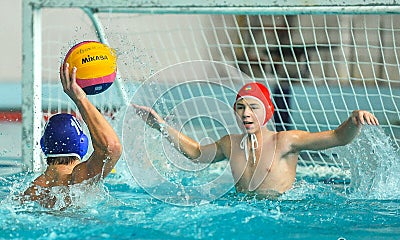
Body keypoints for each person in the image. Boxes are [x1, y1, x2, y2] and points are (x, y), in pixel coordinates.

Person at [133, 82, 379, 199]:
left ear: (267, 112)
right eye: (240, 107)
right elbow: (197, 153)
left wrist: (354, 120)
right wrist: (161, 126)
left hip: (283, 210)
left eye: (253, 107)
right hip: (244, 210)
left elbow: (337, 138)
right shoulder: (230, 143)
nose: (246, 113)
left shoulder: (286, 141)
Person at [22, 63, 122, 208]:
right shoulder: (79, 179)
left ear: (43, 145)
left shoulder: (31, 192)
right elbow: (112, 147)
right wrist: (80, 99)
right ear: (84, 144)